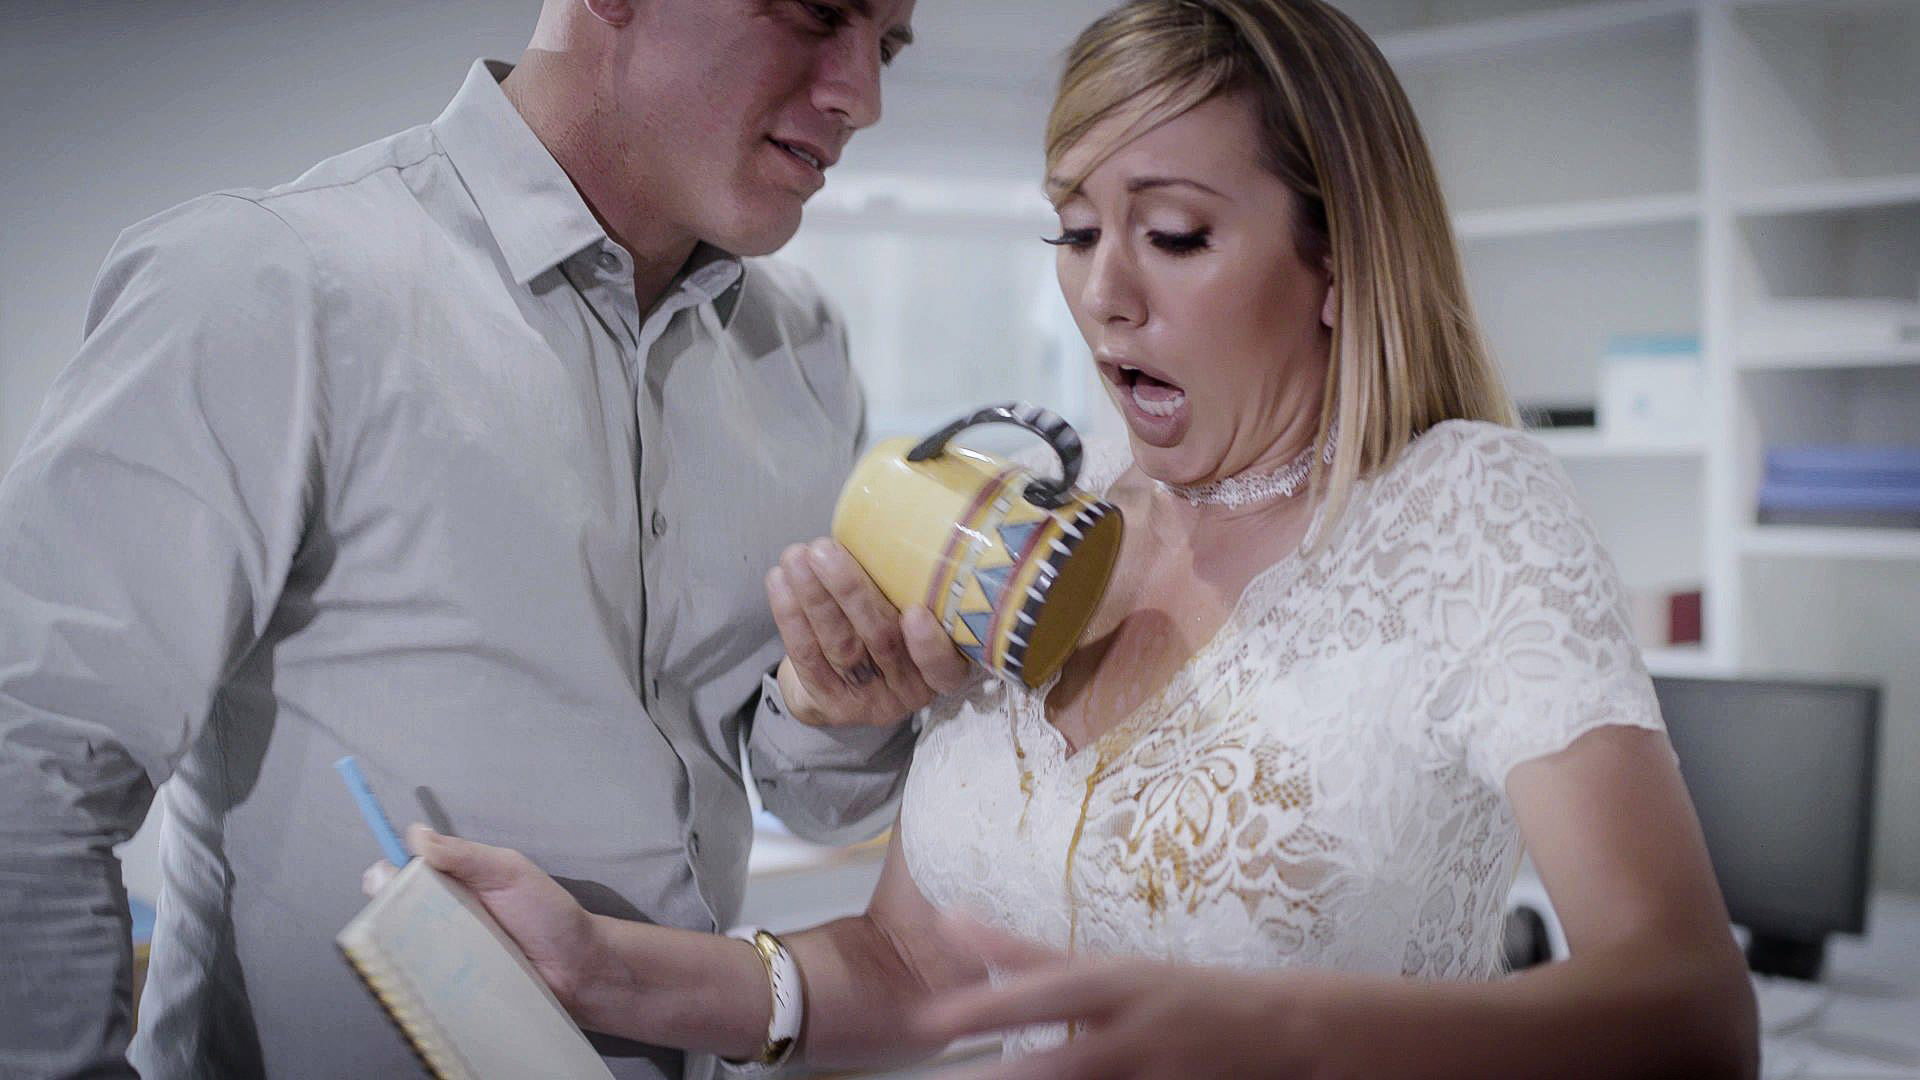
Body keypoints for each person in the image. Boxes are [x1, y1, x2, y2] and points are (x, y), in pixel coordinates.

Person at [375, 0, 1763, 1077]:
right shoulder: (1053, 530)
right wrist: (604, 967)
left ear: (1336, 259)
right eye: (1076, 230)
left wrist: (1272, 1032)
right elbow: (915, 969)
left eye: (1174, 234)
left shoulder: (1470, 515)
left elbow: (1692, 1019)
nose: (1104, 294)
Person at [0, 1, 947, 1078]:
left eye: (888, 45)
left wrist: (830, 711)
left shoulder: (805, 352)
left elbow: (818, 801)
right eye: (818, 13)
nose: (862, 95)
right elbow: (25, 767)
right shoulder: (265, 284)